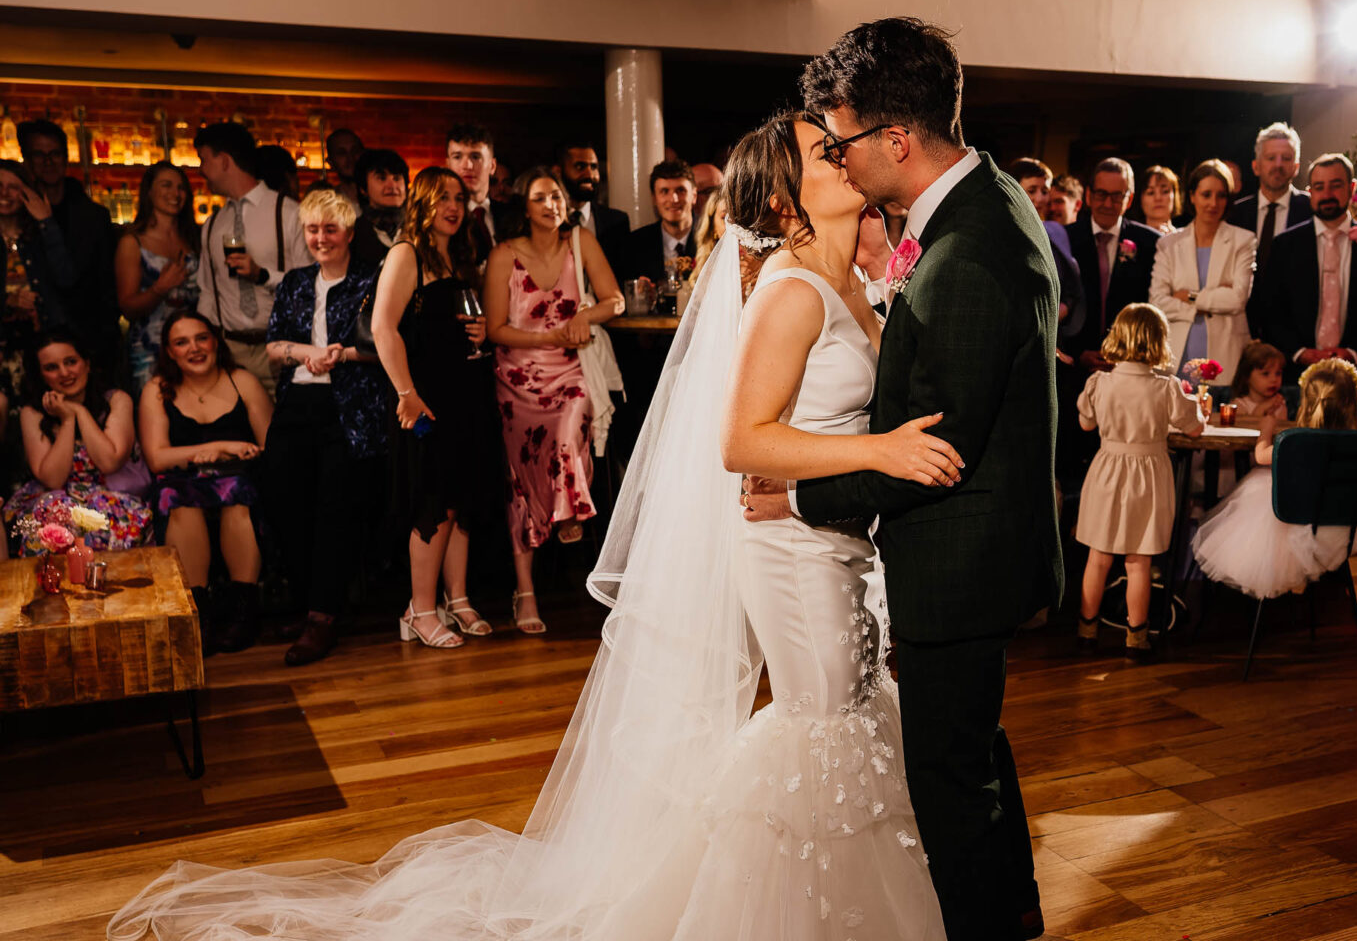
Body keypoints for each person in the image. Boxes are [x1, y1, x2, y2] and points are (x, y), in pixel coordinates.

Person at [104, 106, 962, 941]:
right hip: (795, 552)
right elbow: (743, 439)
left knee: (848, 716)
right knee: (823, 725)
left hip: (842, 541)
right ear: (784, 200)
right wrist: (880, 454)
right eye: (825, 152)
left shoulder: (856, 281)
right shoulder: (792, 292)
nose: (848, 155)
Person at [774, 16, 1062, 941]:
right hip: (985, 548)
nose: (838, 160)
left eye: (842, 140)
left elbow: (931, 454)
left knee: (947, 778)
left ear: (896, 140)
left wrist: (799, 494)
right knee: (973, 750)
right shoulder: (986, 199)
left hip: (960, 558)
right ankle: (1015, 912)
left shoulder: (966, 257)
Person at [487, 168, 623, 634]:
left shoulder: (580, 241)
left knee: (570, 427)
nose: (553, 204)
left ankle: (569, 511)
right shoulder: (505, 255)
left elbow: (615, 300)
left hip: (571, 369)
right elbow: (494, 329)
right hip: (517, 377)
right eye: (541, 197)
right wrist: (544, 334)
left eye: (557, 196)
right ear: (524, 207)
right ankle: (525, 592)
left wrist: (588, 315)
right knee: (518, 479)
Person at [370, 166, 500, 650]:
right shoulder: (406, 254)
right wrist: (406, 393)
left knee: (461, 498)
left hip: (463, 392)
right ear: (422, 202)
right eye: (443, 198)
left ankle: (457, 599)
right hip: (422, 396)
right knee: (433, 502)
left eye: (459, 199)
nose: (453, 207)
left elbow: (454, 324)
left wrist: (481, 331)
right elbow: (383, 328)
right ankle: (420, 610)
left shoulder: (457, 255)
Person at [263, 190, 389, 666]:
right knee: (285, 502)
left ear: (349, 233)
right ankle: (307, 602)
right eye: (313, 230)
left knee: (335, 511)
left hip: (350, 407)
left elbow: (384, 345)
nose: (320, 238)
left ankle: (323, 618)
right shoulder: (295, 282)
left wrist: (341, 354)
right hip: (298, 402)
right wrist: (305, 353)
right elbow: (274, 345)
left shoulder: (371, 281)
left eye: (330, 229)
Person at [1075, 303, 1205, 660]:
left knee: (1098, 557)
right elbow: (1194, 428)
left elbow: (1086, 423)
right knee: (1139, 562)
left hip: (1108, 471)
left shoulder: (1100, 382)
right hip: (1148, 475)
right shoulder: (1166, 388)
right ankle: (1136, 637)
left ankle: (1086, 630)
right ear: (1159, 341)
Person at [139, 311, 272, 655]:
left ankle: (244, 611)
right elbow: (157, 458)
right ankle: (200, 614)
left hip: (238, 476)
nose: (194, 349)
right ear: (170, 352)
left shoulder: (242, 381)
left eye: (201, 338)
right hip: (181, 481)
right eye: (181, 342)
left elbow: (269, 447)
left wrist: (233, 456)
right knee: (177, 498)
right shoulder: (157, 389)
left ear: (215, 341)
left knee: (236, 493)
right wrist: (217, 446)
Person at [1193, 358, 1357, 599]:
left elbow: (1261, 456)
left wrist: (1267, 429)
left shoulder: (1299, 441)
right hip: (1347, 526)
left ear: (1309, 404)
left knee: (1260, 479)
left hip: (1301, 525)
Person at [193, 121, 313, 394]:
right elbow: (208, 293)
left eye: (203, 159)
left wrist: (262, 275)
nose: (200, 171)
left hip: (279, 348)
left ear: (224, 161)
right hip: (228, 353)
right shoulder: (213, 224)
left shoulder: (289, 214)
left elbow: (310, 286)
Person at [4, 334, 150, 554]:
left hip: (113, 496)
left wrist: (78, 411)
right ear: (41, 375)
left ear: (87, 364)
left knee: (100, 513)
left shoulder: (116, 400)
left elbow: (109, 461)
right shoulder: (32, 412)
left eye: (71, 362)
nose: (64, 373)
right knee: (53, 515)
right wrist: (67, 420)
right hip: (57, 500)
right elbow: (53, 478)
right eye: (52, 367)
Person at [1255, 153, 1357, 387]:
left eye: (1336, 185)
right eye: (1319, 187)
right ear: (1310, 192)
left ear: (1351, 188)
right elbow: (1269, 308)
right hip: (1293, 375)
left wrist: (1353, 352)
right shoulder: (1285, 245)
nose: (1327, 195)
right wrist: (1299, 352)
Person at [17, 119, 117, 381]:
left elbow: (107, 284)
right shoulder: (16, 216)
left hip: (91, 341)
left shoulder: (95, 216)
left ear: (65, 158)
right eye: (39, 154)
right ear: (27, 160)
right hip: (33, 342)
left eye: (55, 154)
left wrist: (101, 343)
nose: (48, 161)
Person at [1148, 159, 1255, 385]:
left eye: (1221, 195)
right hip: (1178, 357)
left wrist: (1190, 296)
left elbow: (1237, 300)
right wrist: (1214, 299)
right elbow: (1157, 302)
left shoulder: (1243, 240)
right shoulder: (1168, 244)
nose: (1213, 203)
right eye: (1206, 194)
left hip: (1226, 357)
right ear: (1193, 196)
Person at [1062, 157, 1162, 372]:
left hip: (1130, 366)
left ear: (1130, 199)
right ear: (1089, 195)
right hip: (1074, 366)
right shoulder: (1065, 240)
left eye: (1117, 196)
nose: (1108, 204)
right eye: (1101, 194)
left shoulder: (1150, 243)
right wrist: (1078, 352)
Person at [115, 161, 200, 393]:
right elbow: (127, 308)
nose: (176, 193)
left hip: (194, 350)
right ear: (149, 192)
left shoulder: (194, 239)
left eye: (181, 187)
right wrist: (159, 289)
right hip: (150, 351)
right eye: (166, 185)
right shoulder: (133, 242)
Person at [0, 160, 77, 404]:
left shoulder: (39, 234)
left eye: (13, 187)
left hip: (41, 344)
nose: (4, 193)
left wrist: (46, 222)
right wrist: (9, 301)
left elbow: (66, 279)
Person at [1229, 122, 1312, 333]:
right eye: (1270, 158)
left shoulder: (1311, 210)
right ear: (1256, 166)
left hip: (1295, 328)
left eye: (1286, 158)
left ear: (1296, 166)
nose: (1278, 164)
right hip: (1240, 324)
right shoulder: (1234, 214)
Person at [1007, 157, 1083, 340]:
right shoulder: (1002, 232)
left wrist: (1053, 317)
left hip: (1054, 333)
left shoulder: (1056, 232)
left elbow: (1072, 290)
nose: (1040, 198)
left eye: (1045, 191)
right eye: (1032, 190)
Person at [555, 140, 629, 270]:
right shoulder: (549, 221)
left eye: (594, 167)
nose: (589, 175)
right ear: (558, 172)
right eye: (580, 167)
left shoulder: (617, 222)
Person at [623, 159, 697, 283]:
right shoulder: (635, 245)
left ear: (694, 196)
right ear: (654, 198)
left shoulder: (712, 239)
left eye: (680, 190)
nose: (673, 199)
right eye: (664, 191)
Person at [445, 123, 499, 261]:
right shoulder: (441, 218)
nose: (467, 166)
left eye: (475, 157)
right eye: (457, 157)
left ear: (492, 166)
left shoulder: (512, 214)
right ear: (448, 165)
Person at [349, 148, 408, 269]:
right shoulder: (352, 233)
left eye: (397, 178)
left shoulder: (419, 227)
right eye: (382, 178)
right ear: (363, 188)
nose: (392, 186)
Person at [1228, 339, 1289, 419]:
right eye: (1265, 374)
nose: (1274, 379)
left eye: (1278, 373)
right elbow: (1248, 428)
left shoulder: (1279, 405)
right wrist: (1261, 408)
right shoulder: (1238, 406)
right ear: (1247, 376)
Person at [324, 128, 364, 208]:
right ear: (330, 162)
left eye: (355, 150)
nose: (350, 158)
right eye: (342, 153)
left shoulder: (382, 200)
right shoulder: (327, 205)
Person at [1139, 164, 1181, 235]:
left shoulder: (1187, 238)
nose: (1158, 198)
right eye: (1151, 193)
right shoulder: (1130, 239)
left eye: (1165, 191)